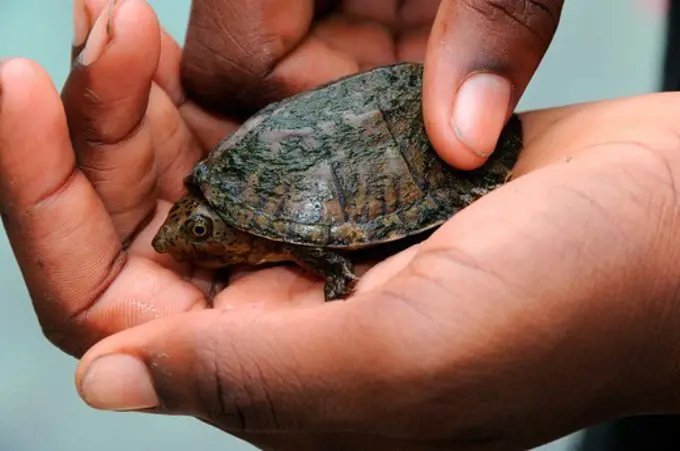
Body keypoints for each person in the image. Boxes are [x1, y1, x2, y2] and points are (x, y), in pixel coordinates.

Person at [1, 0, 679, 450]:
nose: (181, 242)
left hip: (437, 138)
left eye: (202, 234)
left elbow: (329, 244)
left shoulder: (286, 230)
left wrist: (659, 240)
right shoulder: (235, 186)